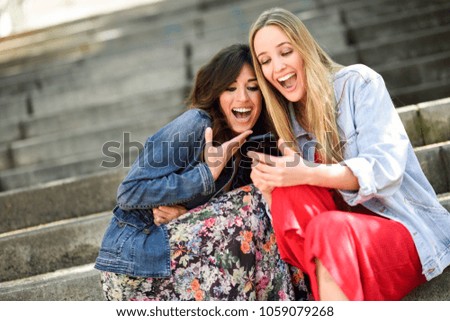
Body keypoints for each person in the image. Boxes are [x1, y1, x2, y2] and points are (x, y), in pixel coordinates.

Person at [247, 7, 450, 301]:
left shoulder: (358, 83)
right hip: (336, 251)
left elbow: (386, 168)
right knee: (289, 193)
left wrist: (308, 173)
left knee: (327, 227)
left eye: (285, 52)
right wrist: (270, 190)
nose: (277, 68)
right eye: (265, 61)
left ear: (304, 48)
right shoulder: (285, 125)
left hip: (400, 234)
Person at [94, 43, 310, 301]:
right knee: (253, 201)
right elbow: (129, 192)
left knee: (268, 201)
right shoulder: (197, 123)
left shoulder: (257, 142)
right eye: (230, 88)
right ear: (217, 94)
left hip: (183, 253)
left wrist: (187, 215)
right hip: (138, 262)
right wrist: (206, 174)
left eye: (253, 87)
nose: (242, 98)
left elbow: (218, 218)